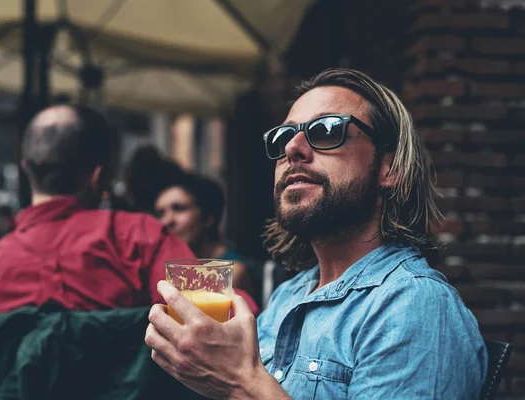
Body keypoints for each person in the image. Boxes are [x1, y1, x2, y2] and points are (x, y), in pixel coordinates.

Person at [145, 68, 487, 399]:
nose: (292, 148)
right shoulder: (288, 296)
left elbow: (240, 385)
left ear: (390, 168)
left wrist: (239, 384)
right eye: (283, 137)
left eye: (325, 130)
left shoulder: (413, 305)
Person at [0, 105, 195, 342]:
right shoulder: (143, 239)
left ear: (25, 168)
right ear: (97, 176)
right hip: (120, 385)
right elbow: (203, 315)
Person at [154, 173, 256, 298]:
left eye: (179, 208)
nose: (166, 221)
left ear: (208, 217)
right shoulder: (166, 267)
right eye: (161, 213)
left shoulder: (230, 272)